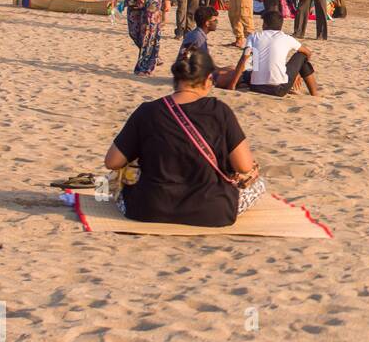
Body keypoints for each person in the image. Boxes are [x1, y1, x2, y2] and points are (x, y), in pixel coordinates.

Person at [104, 46, 262, 227]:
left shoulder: (147, 111)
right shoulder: (220, 111)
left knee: (112, 179)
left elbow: (112, 162)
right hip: (212, 210)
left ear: (176, 79)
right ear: (207, 80)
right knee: (259, 183)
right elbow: (244, 166)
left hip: (149, 207)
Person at [241, 10, 319, 95]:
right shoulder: (286, 38)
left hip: (254, 86)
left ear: (265, 24)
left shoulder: (254, 36)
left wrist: (232, 84)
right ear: (280, 26)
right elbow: (308, 53)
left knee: (254, 61)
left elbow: (244, 59)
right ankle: (315, 93)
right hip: (278, 90)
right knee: (302, 55)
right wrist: (297, 71)